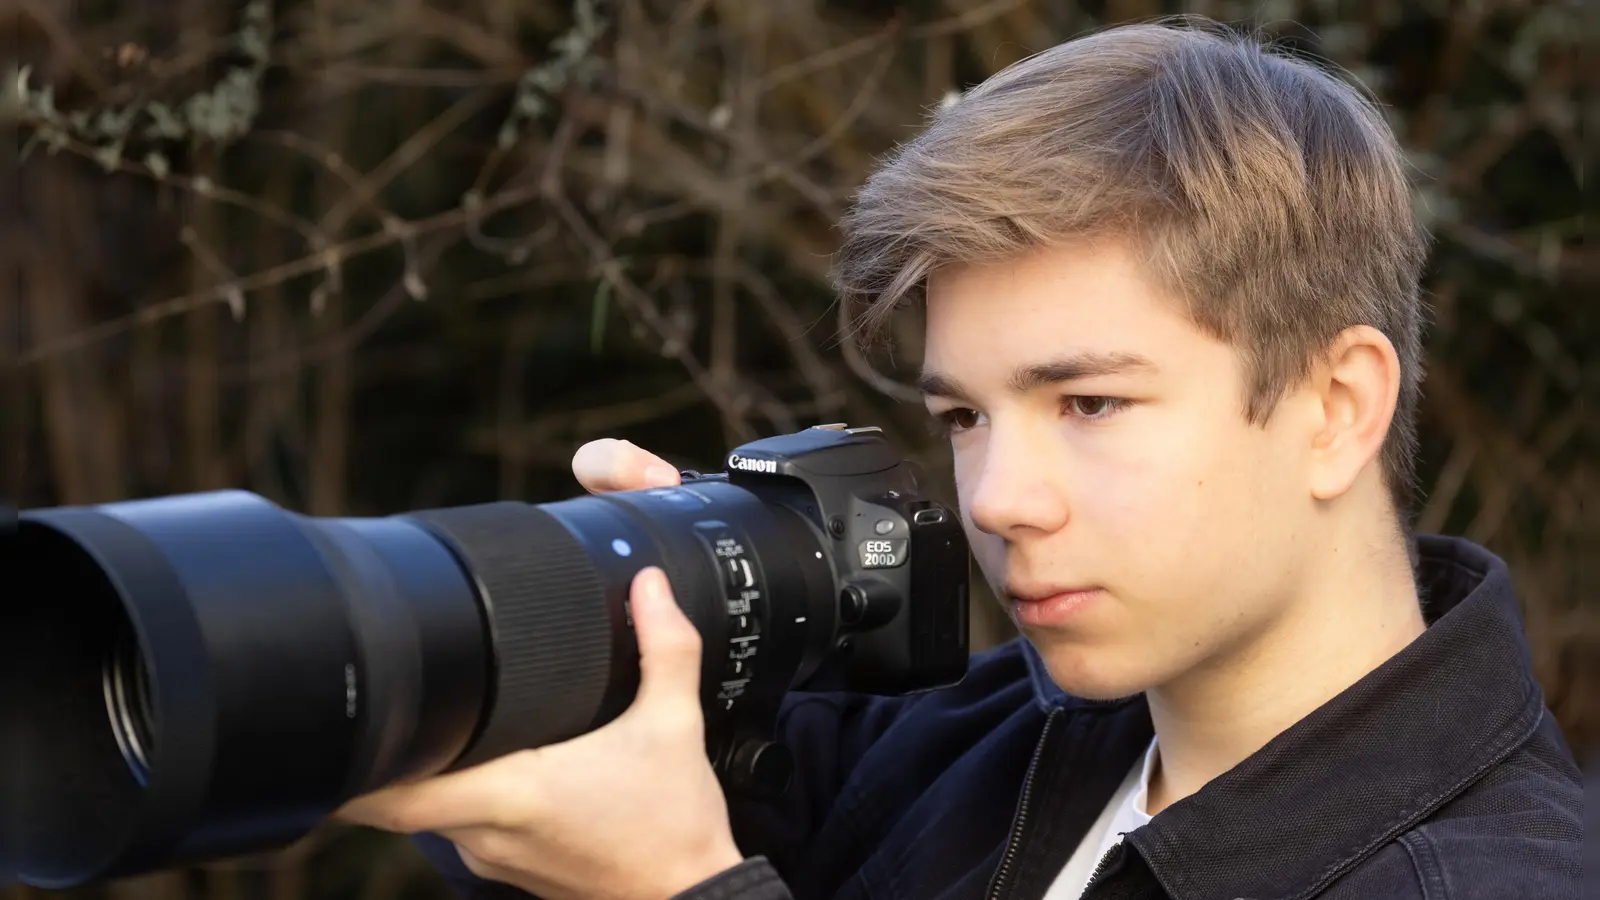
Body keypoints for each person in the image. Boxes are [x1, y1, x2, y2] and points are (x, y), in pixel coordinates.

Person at [333, 16, 1583, 900]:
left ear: (1334, 405)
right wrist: (600, 631)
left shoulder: (1490, 879)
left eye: (1087, 403)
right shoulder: (986, 741)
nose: (995, 501)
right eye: (963, 419)